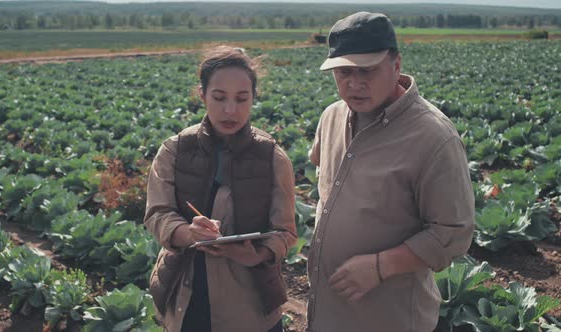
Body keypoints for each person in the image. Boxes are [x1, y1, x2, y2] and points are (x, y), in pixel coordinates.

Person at [307, 12, 475, 331]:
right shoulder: (331, 116)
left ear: (396, 65)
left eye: (367, 71)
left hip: (387, 317)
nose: (354, 84)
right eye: (343, 72)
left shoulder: (434, 137)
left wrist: (381, 266)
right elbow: (326, 188)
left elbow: (453, 233)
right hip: (327, 311)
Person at [144, 45, 297, 332]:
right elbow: (157, 213)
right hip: (187, 293)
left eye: (241, 99)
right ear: (201, 94)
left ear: (254, 97)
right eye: (219, 97)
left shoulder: (273, 158)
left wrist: (258, 254)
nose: (230, 110)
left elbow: (286, 231)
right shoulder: (174, 151)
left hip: (251, 300)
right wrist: (187, 232)